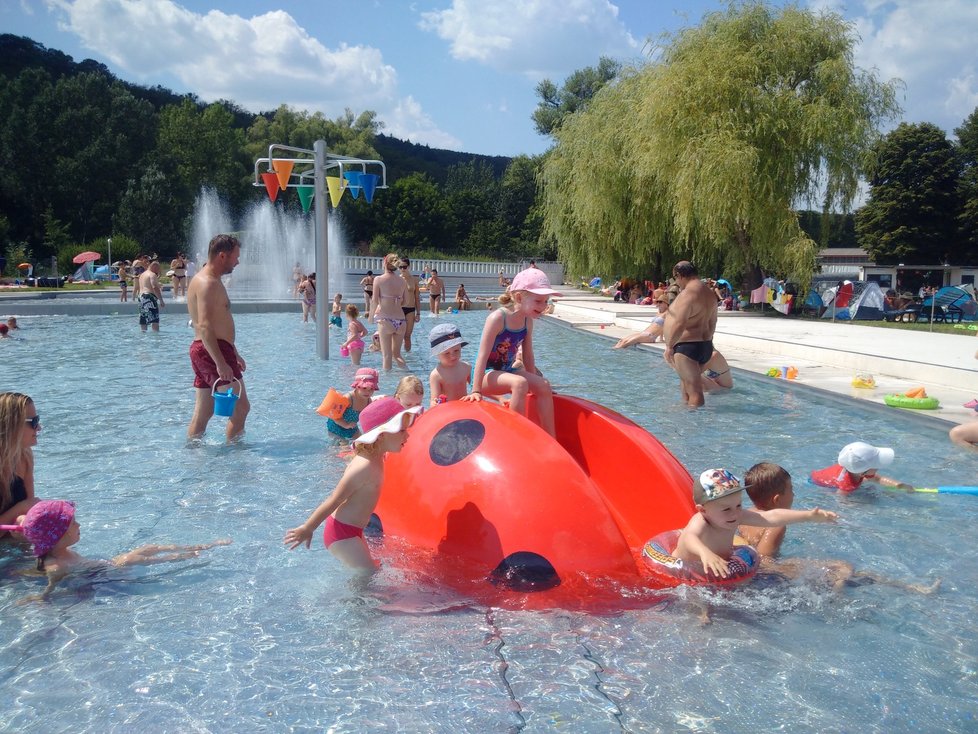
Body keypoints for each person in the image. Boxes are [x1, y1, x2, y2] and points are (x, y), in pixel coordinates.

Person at [738, 463, 940, 594]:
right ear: (777, 499)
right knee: (843, 568)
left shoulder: (747, 515)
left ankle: (910, 587)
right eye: (791, 490)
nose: (794, 494)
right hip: (766, 574)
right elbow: (764, 561)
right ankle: (908, 588)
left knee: (848, 572)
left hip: (756, 568)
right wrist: (807, 567)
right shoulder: (775, 525)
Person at [284, 398, 421, 572]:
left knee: (371, 570)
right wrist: (308, 528)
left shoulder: (377, 456)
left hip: (353, 531)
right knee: (367, 575)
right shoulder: (364, 466)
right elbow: (334, 499)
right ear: (381, 435)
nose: (407, 435)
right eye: (401, 430)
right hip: (341, 534)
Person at [0, 500, 231, 600]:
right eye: (73, 524)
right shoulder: (56, 566)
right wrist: (38, 599)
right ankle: (187, 556)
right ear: (57, 536)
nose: (79, 525)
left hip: (106, 567)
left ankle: (197, 548)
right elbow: (51, 590)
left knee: (146, 550)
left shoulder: (52, 555)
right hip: (109, 574)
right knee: (142, 557)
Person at [673, 468, 838, 579]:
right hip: (686, 570)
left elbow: (771, 517)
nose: (735, 513)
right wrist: (705, 553)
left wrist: (808, 516)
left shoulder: (735, 516)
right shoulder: (700, 522)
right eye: (726, 509)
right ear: (703, 510)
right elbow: (689, 537)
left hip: (719, 567)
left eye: (738, 505)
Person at [463, 268, 560, 437]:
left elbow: (528, 355)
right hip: (487, 375)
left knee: (544, 385)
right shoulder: (498, 318)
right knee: (519, 383)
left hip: (507, 371)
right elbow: (482, 355)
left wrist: (536, 383)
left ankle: (551, 438)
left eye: (546, 301)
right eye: (538, 301)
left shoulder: (527, 321)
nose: (544, 306)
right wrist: (476, 390)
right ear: (519, 297)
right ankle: (515, 435)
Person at [186, 234, 250, 442]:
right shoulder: (208, 284)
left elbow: (216, 322)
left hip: (209, 349)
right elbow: (204, 325)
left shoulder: (206, 279)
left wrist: (234, 351)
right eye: (235, 257)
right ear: (222, 256)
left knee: (204, 411)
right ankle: (234, 456)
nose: (237, 262)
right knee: (241, 408)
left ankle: (193, 452)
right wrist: (221, 362)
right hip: (212, 351)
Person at [663, 261, 718, 407]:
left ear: (679, 275)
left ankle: (694, 424)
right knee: (686, 383)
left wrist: (669, 346)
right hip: (704, 346)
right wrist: (707, 341)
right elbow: (713, 323)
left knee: (695, 390)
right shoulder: (709, 293)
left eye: (675, 278)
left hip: (687, 348)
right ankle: (686, 415)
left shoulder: (688, 294)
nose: (676, 283)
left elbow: (680, 323)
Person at [0, 392, 40, 534]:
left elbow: (29, 508)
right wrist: (19, 509)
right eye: (33, 422)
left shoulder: (25, 456)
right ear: (12, 424)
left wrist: (24, 518)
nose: (39, 428)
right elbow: (26, 505)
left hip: (13, 541)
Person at [810, 441, 912, 492]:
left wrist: (899, 485)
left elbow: (879, 479)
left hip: (823, 476)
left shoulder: (858, 470)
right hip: (817, 484)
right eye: (876, 464)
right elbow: (841, 501)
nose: (878, 467)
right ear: (863, 472)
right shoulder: (846, 484)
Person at [372, 253, 408, 370]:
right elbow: (406, 302)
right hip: (401, 321)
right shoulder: (402, 281)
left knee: (387, 356)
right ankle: (408, 375)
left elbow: (374, 301)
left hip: (385, 320)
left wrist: (370, 316)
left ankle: (386, 386)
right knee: (397, 355)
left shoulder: (379, 279)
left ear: (385, 263)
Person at [326, 368, 379, 441]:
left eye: (371, 389)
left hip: (352, 427)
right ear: (357, 386)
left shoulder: (368, 401)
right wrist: (346, 425)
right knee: (343, 448)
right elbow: (334, 417)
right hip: (336, 426)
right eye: (364, 388)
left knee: (362, 444)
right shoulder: (348, 398)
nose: (368, 392)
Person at [428, 323, 470, 405]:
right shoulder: (436, 375)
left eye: (456, 351)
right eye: (446, 353)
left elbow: (480, 388)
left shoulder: (466, 367)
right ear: (437, 353)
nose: (452, 356)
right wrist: (434, 403)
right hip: (447, 412)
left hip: (464, 409)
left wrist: (499, 398)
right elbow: (433, 400)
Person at [399, 257, 421, 351]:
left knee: (407, 336)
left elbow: (417, 297)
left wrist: (418, 313)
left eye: (404, 267)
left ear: (408, 266)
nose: (402, 269)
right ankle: (397, 356)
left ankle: (408, 357)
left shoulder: (414, 280)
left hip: (410, 309)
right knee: (398, 335)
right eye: (400, 267)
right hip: (398, 309)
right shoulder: (397, 279)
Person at [137, 261, 165, 332]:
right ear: (154, 267)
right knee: (154, 320)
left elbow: (145, 286)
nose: (158, 271)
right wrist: (161, 300)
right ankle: (155, 337)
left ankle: (143, 333)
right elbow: (154, 286)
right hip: (149, 297)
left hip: (141, 297)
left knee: (143, 318)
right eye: (158, 269)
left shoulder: (142, 275)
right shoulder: (152, 274)